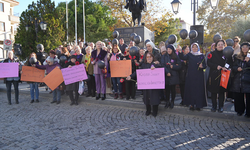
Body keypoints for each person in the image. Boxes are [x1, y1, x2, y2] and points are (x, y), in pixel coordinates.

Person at [126, 53, 161, 117]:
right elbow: (138, 72)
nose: (149, 58)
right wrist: (130, 76)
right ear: (146, 58)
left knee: (154, 98)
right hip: (146, 85)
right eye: (147, 57)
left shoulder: (156, 64)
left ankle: (155, 111)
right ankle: (148, 110)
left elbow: (161, 70)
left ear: (153, 57)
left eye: (150, 57)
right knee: (146, 98)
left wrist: (155, 67)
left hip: (154, 85)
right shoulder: (144, 65)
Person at [179, 43, 207, 110]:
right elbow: (182, 57)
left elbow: (205, 65)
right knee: (191, 90)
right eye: (193, 47)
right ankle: (192, 104)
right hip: (191, 75)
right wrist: (180, 52)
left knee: (199, 90)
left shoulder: (202, 55)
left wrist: (202, 66)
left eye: (196, 47)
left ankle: (199, 105)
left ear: (198, 48)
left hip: (199, 75)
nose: (194, 48)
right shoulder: (189, 55)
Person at [207, 40, 228, 113]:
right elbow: (208, 63)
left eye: (222, 44)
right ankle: (214, 106)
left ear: (224, 45)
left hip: (223, 74)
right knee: (214, 91)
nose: (220, 46)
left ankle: (221, 106)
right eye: (219, 44)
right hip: (214, 74)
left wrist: (225, 67)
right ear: (216, 46)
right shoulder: (212, 54)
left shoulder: (226, 53)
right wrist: (216, 66)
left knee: (222, 92)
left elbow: (229, 62)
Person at [230, 42, 250, 117]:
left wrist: (248, 62)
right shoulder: (237, 57)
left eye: (246, 47)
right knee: (238, 96)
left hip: (248, 79)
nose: (245, 48)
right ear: (241, 48)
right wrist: (237, 68)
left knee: (248, 97)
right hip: (238, 79)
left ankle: (248, 113)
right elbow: (233, 67)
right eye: (243, 47)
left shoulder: (249, 57)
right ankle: (239, 110)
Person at [161, 44, 181, 109]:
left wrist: (174, 66)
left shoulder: (176, 56)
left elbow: (179, 66)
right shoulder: (164, 56)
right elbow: (163, 65)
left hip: (174, 75)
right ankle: (167, 101)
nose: (168, 50)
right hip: (167, 75)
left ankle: (172, 101)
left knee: (173, 90)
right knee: (167, 90)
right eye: (168, 49)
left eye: (170, 49)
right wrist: (167, 72)